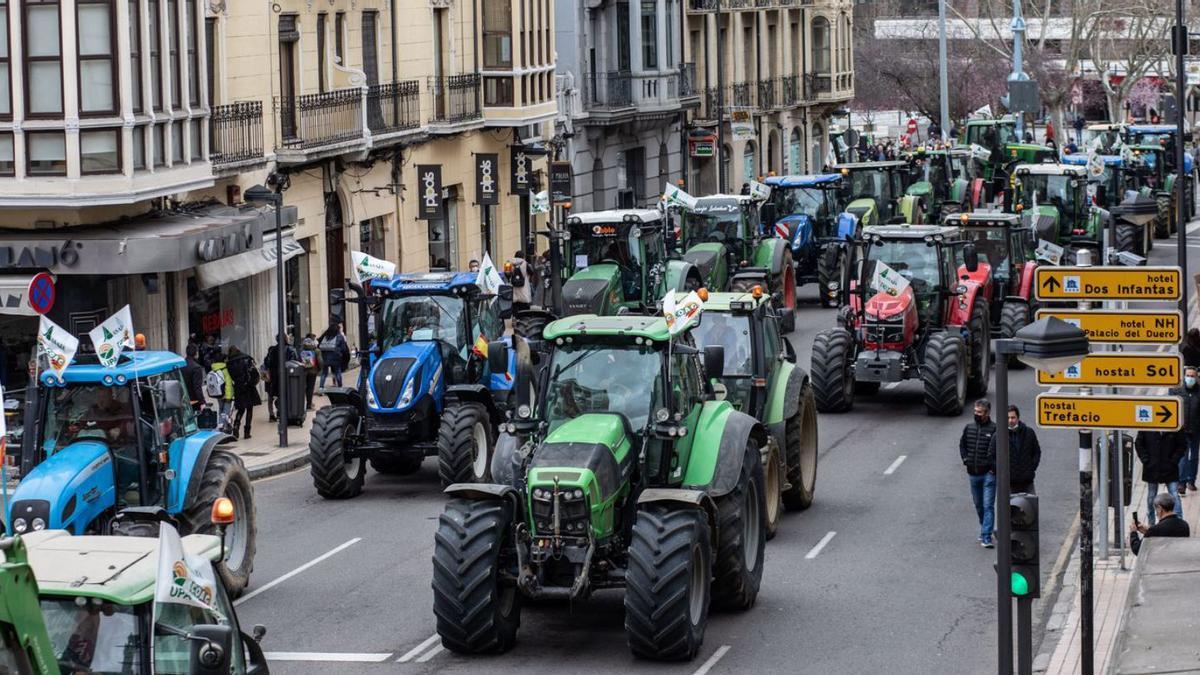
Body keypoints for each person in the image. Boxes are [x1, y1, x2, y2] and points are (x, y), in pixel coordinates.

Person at [960, 399, 998, 547]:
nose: (976, 414)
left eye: (979, 412)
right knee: (979, 505)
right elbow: (962, 445)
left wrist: (993, 468)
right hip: (973, 473)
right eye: (975, 411)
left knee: (988, 505)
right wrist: (965, 459)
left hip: (989, 474)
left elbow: (998, 450)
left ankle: (986, 536)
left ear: (987, 413)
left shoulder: (994, 429)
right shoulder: (968, 428)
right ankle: (985, 528)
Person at [1135, 429, 1185, 525]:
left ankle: (1179, 522)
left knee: (1174, 494)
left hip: (1170, 468)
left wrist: (1174, 460)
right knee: (1151, 496)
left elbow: (1182, 445)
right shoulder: (1148, 426)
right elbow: (1139, 444)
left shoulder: (1174, 425)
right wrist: (1146, 460)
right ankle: (1151, 523)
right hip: (1153, 468)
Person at [993, 405, 1041, 494]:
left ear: (1018, 418)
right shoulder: (998, 435)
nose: (1010, 420)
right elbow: (991, 456)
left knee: (1031, 506)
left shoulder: (1029, 432)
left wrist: (1031, 469)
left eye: (1013, 417)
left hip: (1027, 482)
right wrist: (1002, 472)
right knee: (1010, 507)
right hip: (1009, 484)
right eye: (1008, 418)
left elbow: (1036, 452)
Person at [1171, 366, 1200, 496]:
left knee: (1193, 456)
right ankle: (1181, 483)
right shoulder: (1177, 390)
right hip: (1182, 429)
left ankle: (1191, 481)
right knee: (1183, 456)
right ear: (1184, 376)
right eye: (1188, 375)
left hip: (1196, 430)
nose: (1190, 378)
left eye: (1193, 376)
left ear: (1197, 377)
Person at [225, 345, 260, 440]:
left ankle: (236, 425)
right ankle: (247, 432)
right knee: (249, 409)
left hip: (238, 387)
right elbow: (254, 372)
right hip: (248, 386)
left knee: (240, 409)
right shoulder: (246, 358)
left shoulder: (229, 363)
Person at [263, 334, 299, 422]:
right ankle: (282, 412)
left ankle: (272, 415)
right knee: (285, 395)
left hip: (273, 376)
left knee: (271, 396)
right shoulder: (290, 349)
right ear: (286, 339)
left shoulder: (272, 350)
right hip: (286, 376)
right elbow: (295, 362)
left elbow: (267, 362)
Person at [319, 322, 350, 390]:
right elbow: (344, 348)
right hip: (336, 357)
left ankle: (321, 387)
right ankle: (340, 386)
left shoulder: (325, 336)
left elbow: (319, 344)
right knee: (337, 372)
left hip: (325, 357)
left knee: (324, 373)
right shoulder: (339, 336)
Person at [299, 333, 322, 410]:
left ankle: (301, 405)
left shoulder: (301, 350)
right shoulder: (316, 351)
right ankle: (309, 405)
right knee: (310, 388)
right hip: (313, 371)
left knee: (303, 388)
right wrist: (319, 369)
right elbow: (320, 361)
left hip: (303, 371)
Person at [181, 344, 206, 413]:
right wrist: (202, 402)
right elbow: (197, 387)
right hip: (193, 402)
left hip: (181, 400)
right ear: (196, 353)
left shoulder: (180, 365)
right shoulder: (196, 368)